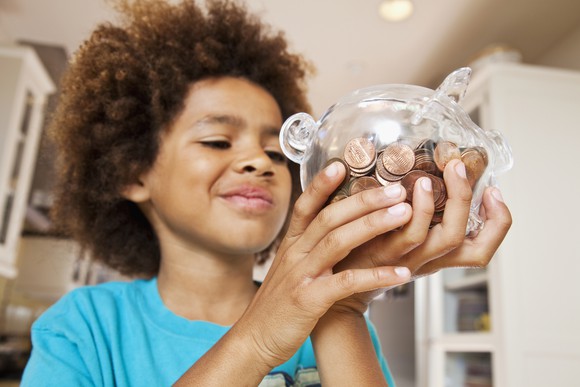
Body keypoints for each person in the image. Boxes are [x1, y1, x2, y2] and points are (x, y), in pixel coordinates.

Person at [20, 0, 512, 386]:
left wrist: (341, 308)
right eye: (217, 140)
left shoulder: (337, 316)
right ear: (133, 173)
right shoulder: (82, 330)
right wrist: (255, 341)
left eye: (276, 152)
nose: (259, 161)